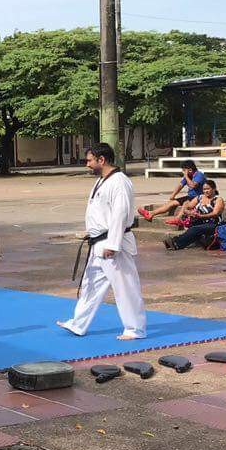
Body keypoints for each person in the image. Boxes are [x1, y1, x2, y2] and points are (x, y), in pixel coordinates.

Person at [58, 143, 146, 341]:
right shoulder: (102, 181)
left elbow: (120, 214)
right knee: (90, 284)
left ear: (101, 160)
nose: (87, 164)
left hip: (114, 244)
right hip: (99, 242)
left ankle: (135, 329)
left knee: (125, 287)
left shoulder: (119, 181)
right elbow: (101, 212)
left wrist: (113, 244)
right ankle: (79, 323)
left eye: (89, 160)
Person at [138, 160, 206, 223]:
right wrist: (172, 196)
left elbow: (192, 185)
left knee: (186, 203)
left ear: (190, 170)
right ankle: (150, 214)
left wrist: (185, 175)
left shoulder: (199, 175)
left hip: (199, 198)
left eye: (184, 170)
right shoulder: (188, 176)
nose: (183, 172)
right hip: (190, 197)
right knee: (172, 203)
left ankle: (178, 219)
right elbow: (180, 185)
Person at [166, 180, 225, 250]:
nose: (206, 191)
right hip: (200, 222)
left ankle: (175, 242)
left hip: (213, 224)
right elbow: (186, 208)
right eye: (204, 189)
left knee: (195, 229)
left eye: (208, 189)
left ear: (214, 189)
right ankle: (178, 244)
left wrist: (200, 216)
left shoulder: (218, 199)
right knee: (195, 229)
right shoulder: (200, 197)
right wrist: (190, 213)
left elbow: (215, 213)